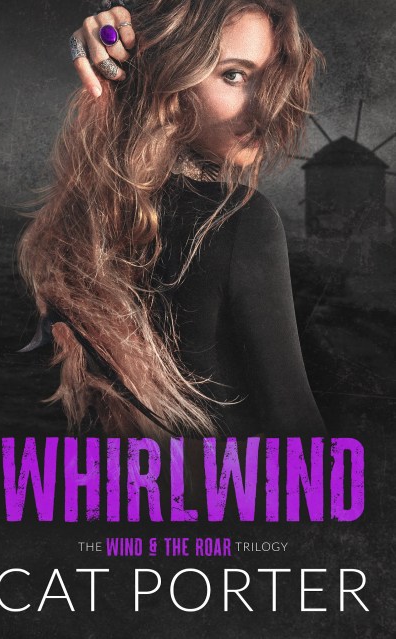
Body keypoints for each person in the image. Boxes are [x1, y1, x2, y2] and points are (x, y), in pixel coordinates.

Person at [19, 0, 326, 439]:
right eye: (234, 75)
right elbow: (300, 436)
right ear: (169, 73)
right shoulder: (239, 220)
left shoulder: (68, 228)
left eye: (269, 77)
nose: (265, 107)